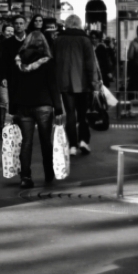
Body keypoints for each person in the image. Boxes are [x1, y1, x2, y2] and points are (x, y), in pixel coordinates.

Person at [11, 30, 63, 188]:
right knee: (45, 141)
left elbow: (14, 86)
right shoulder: (48, 61)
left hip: (23, 105)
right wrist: (59, 108)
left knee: (26, 142)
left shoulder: (18, 61)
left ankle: (25, 177)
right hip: (44, 105)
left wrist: (12, 109)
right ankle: (48, 173)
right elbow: (53, 85)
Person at [53, 14, 99, 155]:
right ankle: (83, 141)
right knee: (83, 114)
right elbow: (91, 64)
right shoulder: (85, 40)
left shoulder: (58, 40)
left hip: (65, 83)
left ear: (66, 24)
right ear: (79, 24)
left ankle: (72, 146)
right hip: (83, 83)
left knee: (70, 114)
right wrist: (95, 84)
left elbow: (53, 62)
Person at [0, 23, 14, 132]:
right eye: (8, 31)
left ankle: (14, 124)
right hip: (2, 79)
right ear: (3, 32)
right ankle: (1, 125)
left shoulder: (17, 46)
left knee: (14, 102)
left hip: (15, 79)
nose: (10, 33)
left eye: (12, 31)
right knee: (4, 101)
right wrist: (2, 78)